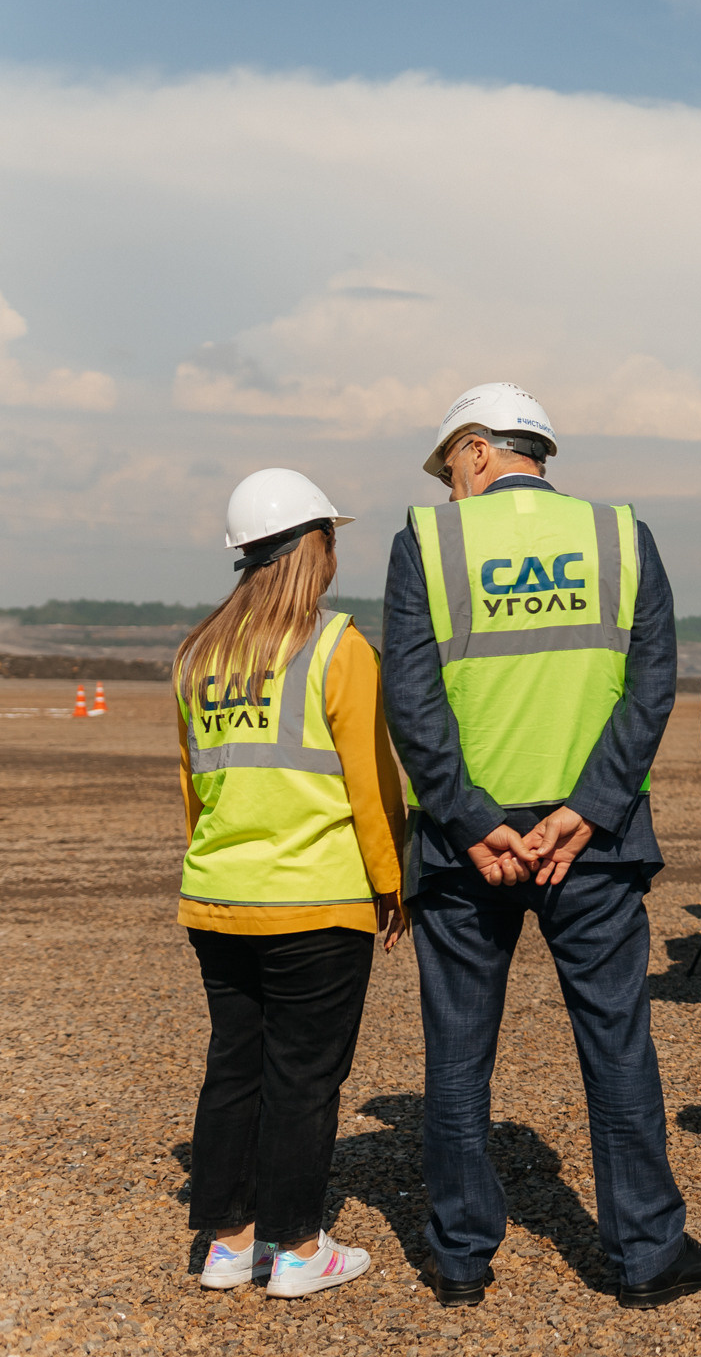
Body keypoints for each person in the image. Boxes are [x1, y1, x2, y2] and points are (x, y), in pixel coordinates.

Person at [381, 382, 701, 1308]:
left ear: (480, 450)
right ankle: (648, 1255)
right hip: (594, 845)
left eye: (448, 463)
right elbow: (652, 684)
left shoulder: (425, 542)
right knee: (615, 1043)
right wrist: (590, 807)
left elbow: (410, 699)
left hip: (471, 851)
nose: (447, 483)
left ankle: (459, 1260)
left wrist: (467, 817)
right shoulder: (622, 536)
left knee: (457, 1054)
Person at [174, 468, 406, 1298]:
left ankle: (228, 1244)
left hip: (219, 896)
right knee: (304, 1076)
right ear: (315, 547)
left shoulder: (197, 653)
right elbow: (373, 786)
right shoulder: (336, 647)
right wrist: (391, 884)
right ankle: (297, 1250)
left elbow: (194, 786)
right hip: (313, 899)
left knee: (234, 1067)